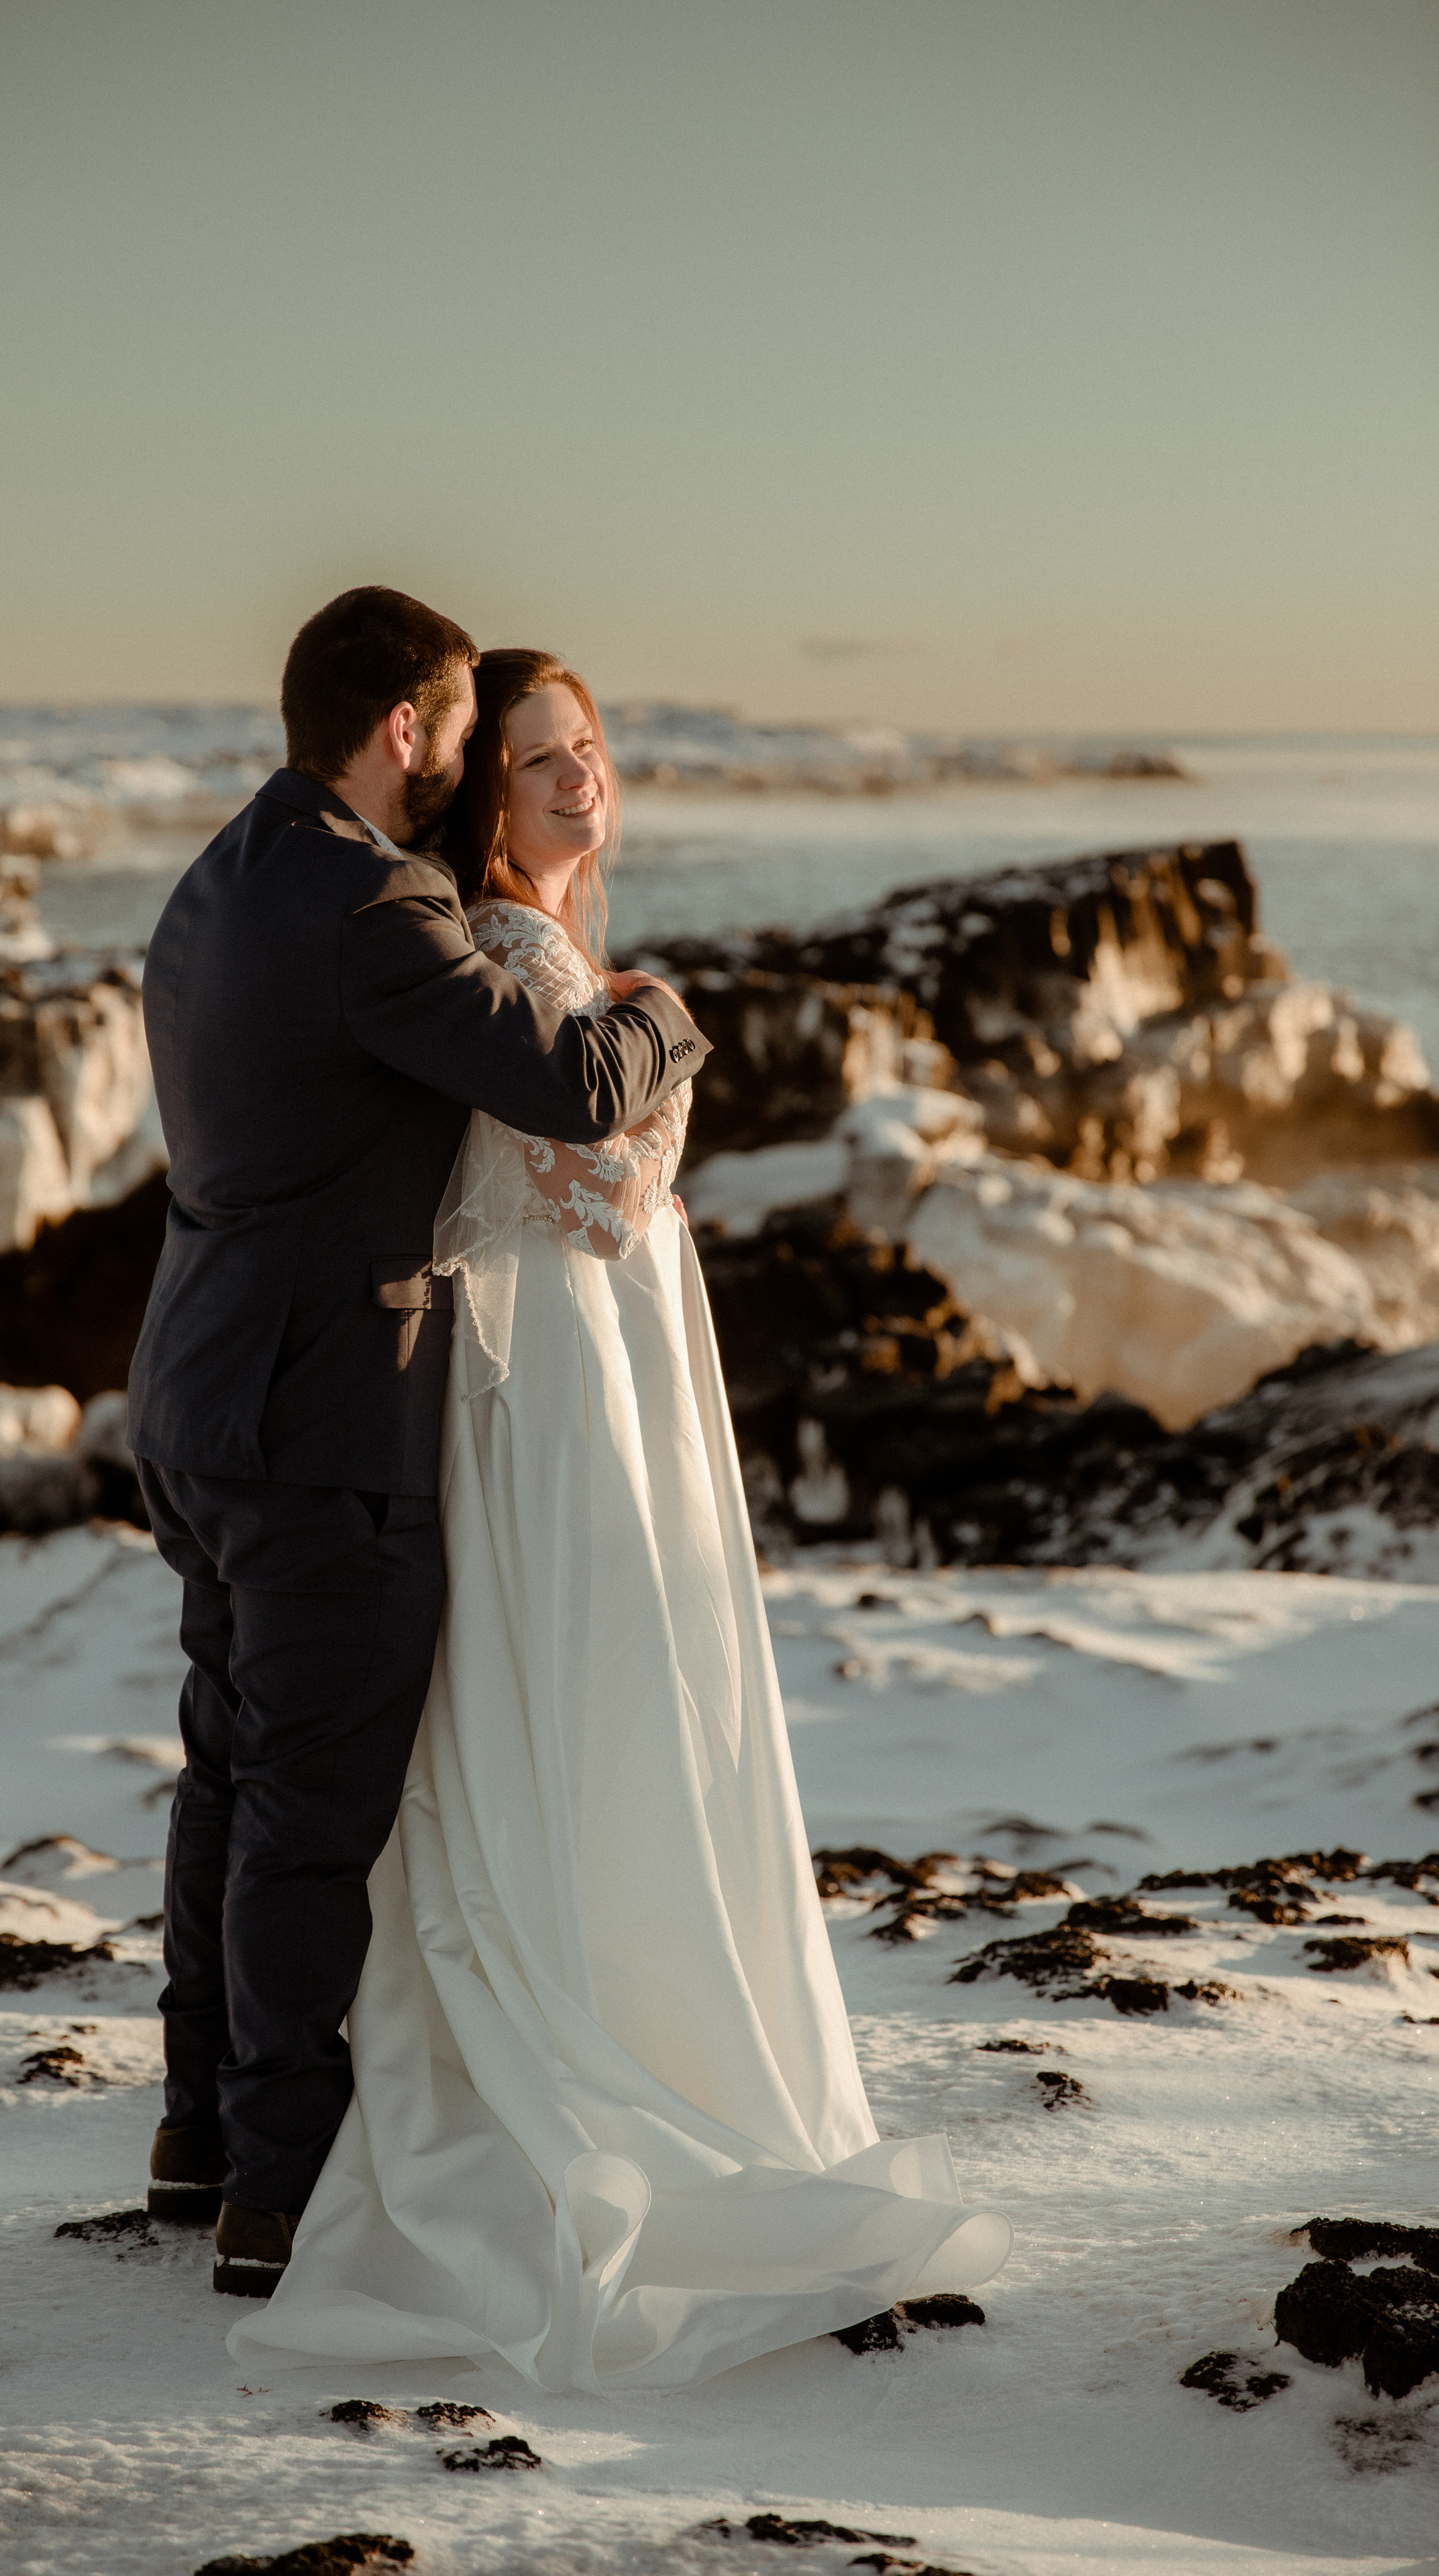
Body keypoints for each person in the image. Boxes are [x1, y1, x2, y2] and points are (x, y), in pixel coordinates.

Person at [225, 650, 1010, 2391]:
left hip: (606, 1360)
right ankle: (599, 2051)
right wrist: (656, 1026)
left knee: (603, 1706)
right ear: (480, 798)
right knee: (601, 1700)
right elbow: (593, 1183)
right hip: (564, 1380)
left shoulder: (548, 953)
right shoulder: (515, 952)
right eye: (536, 761)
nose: (580, 780)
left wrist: (641, 1028)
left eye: (586, 748)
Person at [126, 591, 709, 2294]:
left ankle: (197, 2135)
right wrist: (664, 1005)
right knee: (311, 1810)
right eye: (462, 730)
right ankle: (278, 2199)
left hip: (195, 1388)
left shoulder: (220, 872)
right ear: (406, 727)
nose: (464, 766)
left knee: (229, 1774)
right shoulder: (376, 906)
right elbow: (578, 1090)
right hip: (321, 1417)